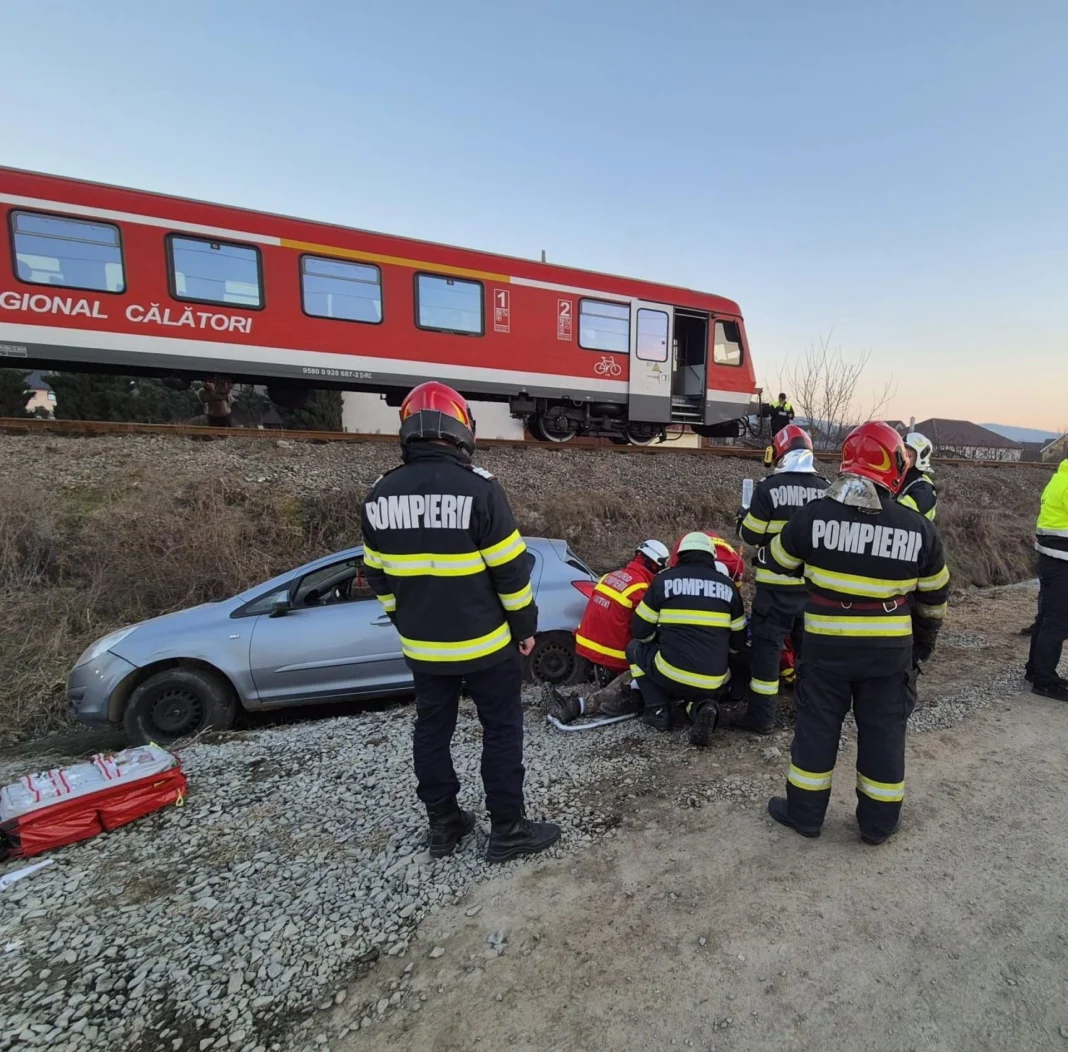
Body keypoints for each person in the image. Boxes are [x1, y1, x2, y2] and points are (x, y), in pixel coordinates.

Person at [360, 381, 559, 862]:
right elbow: (511, 572)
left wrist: (404, 621)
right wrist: (525, 629)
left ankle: (443, 824)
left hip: (424, 648)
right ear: (461, 429)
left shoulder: (379, 495)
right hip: (487, 644)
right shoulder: (480, 489)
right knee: (501, 730)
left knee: (432, 731)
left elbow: (376, 576)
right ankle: (507, 829)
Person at [760, 421, 950, 845]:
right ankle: (878, 825)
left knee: (816, 730)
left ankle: (805, 815)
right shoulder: (919, 528)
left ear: (848, 462)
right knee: (884, 733)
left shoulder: (814, 515)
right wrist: (923, 644)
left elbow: (776, 559)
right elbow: (935, 597)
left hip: (825, 648)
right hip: (889, 654)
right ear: (895, 467)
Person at [736, 425, 828, 732]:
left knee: (767, 652)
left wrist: (742, 516)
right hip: (812, 589)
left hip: (775, 589)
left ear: (780, 453)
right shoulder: (826, 489)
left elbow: (750, 535)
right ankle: (809, 715)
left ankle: (762, 719)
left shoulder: (769, 488)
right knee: (809, 654)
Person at [627, 532, 748, 747]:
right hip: (713, 679)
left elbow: (640, 631)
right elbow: (738, 641)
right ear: (711, 557)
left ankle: (658, 710)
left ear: (680, 555)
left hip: (670, 672)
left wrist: (659, 639)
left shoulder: (664, 580)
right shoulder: (728, 587)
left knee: (633, 648)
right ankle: (702, 708)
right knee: (697, 690)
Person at [544, 539, 669, 725]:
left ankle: (599, 687)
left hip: (587, 645)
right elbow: (646, 627)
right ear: (655, 565)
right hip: (613, 653)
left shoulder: (610, 576)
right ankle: (576, 706)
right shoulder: (641, 589)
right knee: (644, 668)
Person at [1026, 458, 1068, 701]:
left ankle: (1035, 670)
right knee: (1058, 622)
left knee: (1046, 618)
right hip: (1061, 562)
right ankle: (1045, 681)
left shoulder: (1060, 477)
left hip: (1052, 559)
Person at [898, 432, 938, 520]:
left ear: (919, 458)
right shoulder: (899, 477)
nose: (903, 459)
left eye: (908, 456)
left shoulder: (923, 488)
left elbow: (902, 518)